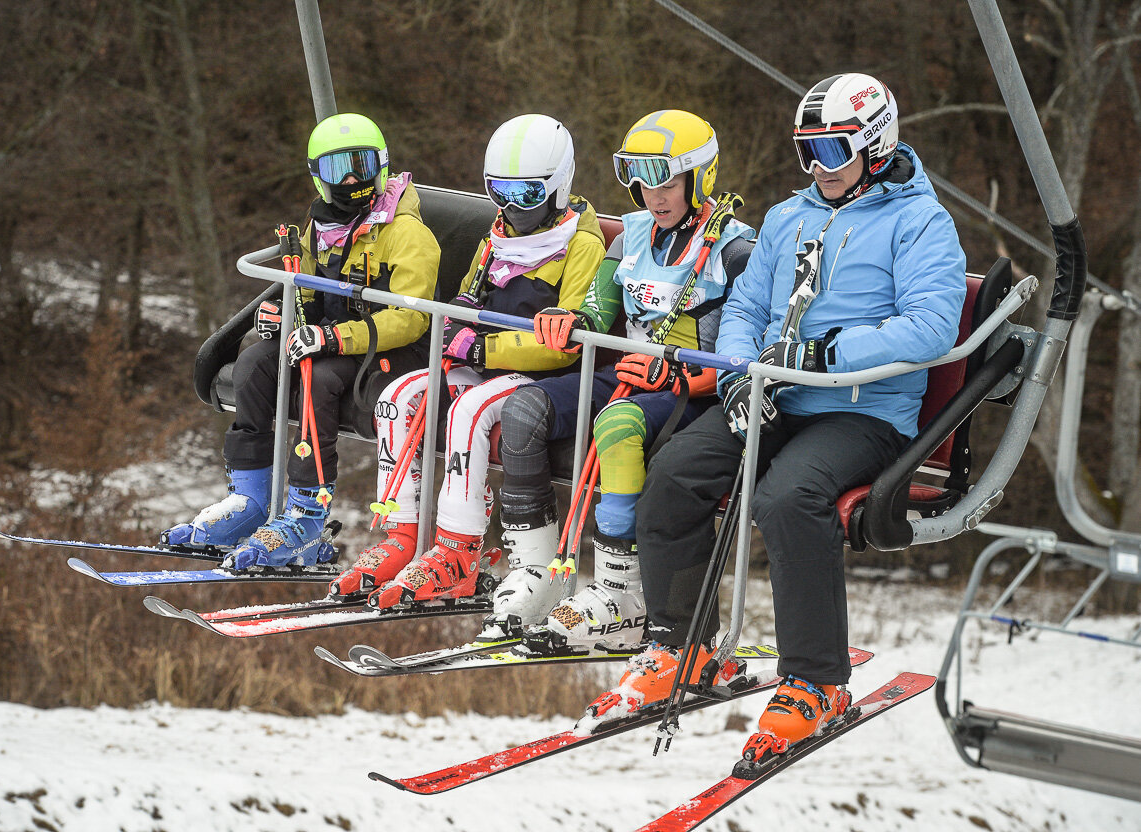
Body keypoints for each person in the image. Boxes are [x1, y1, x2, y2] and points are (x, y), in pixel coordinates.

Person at [582, 73, 966, 758]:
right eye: (807, 151)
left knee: (788, 497)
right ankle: (680, 646)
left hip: (863, 410)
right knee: (675, 472)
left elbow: (933, 325)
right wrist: (736, 373)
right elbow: (745, 309)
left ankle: (816, 680)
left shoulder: (919, 223)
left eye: (834, 150)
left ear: (876, 145)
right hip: (776, 394)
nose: (819, 168)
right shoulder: (790, 218)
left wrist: (832, 352)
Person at [478, 110, 756, 649]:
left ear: (700, 178)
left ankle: (620, 594)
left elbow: (740, 353)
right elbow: (596, 310)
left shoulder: (735, 252)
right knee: (523, 410)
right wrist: (571, 322)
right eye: (640, 181)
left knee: (617, 424)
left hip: (691, 392)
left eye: (667, 181)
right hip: (630, 372)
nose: (653, 196)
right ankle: (540, 573)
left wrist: (683, 376)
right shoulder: (629, 237)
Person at [328, 114, 606, 607]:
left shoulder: (580, 245)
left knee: (468, 412)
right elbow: (466, 299)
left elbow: (564, 341)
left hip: (537, 375)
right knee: (398, 398)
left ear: (559, 186)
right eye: (500, 191)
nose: (512, 208)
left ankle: (459, 550)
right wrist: (459, 323)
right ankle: (404, 536)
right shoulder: (494, 236)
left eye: (527, 195)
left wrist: (481, 348)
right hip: (481, 364)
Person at [162, 113, 441, 570]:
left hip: (388, 352)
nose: (351, 179)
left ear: (382, 166)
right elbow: (309, 293)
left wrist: (332, 337)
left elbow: (410, 319)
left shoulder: (407, 232)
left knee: (322, 377)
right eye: (337, 170)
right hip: (328, 338)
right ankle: (250, 500)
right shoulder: (320, 228)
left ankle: (308, 511)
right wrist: (286, 316)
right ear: (318, 177)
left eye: (362, 165)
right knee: (254, 362)